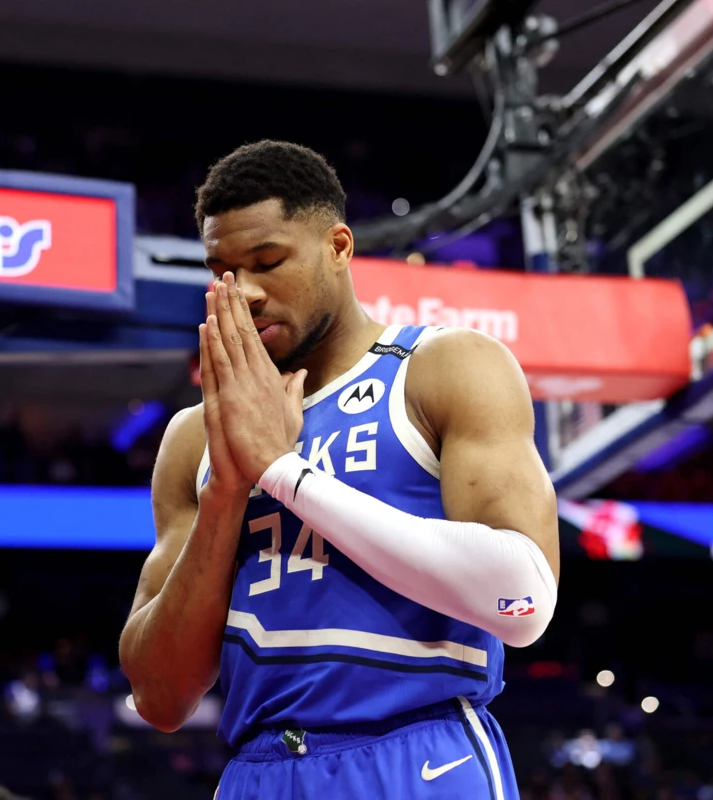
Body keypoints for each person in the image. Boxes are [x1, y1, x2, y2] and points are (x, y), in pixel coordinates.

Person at [119, 140, 559, 799]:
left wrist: (284, 473)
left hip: (416, 755)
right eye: (223, 272)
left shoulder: (444, 368)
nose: (247, 293)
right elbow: (159, 697)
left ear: (340, 247)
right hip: (256, 769)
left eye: (268, 262)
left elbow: (523, 602)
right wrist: (228, 492)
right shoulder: (194, 437)